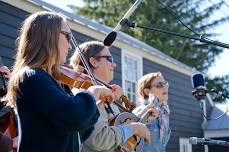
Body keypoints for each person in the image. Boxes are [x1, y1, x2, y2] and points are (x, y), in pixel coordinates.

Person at [3, 11, 116, 152]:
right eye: (68, 36)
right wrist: (94, 92)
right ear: (48, 35)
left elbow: (76, 130)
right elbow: (72, 116)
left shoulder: (48, 79)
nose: (70, 46)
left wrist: (94, 106)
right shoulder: (32, 77)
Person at [69, 40, 151, 152]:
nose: (114, 64)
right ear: (94, 62)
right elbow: (99, 140)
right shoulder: (87, 95)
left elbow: (117, 134)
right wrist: (134, 128)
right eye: (110, 59)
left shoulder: (106, 95)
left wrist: (144, 117)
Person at [133, 72, 171, 152]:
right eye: (159, 85)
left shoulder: (164, 113)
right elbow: (129, 131)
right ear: (147, 91)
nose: (164, 87)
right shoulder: (141, 110)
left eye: (165, 84)